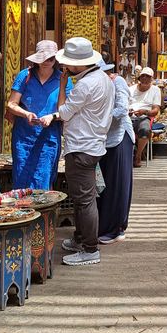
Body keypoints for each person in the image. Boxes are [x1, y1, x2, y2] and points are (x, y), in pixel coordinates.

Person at [38, 37, 114, 267]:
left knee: (84, 200)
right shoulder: (103, 78)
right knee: (83, 198)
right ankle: (81, 239)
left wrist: (62, 85)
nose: (64, 66)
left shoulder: (85, 85)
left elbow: (63, 111)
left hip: (82, 146)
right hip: (92, 144)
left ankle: (90, 249)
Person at [7, 39, 72, 190]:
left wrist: (52, 117)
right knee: (21, 180)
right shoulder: (25, 75)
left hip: (49, 138)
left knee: (44, 180)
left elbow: (67, 110)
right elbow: (11, 104)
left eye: (50, 59)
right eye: (43, 58)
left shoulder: (63, 79)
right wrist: (26, 114)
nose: (46, 62)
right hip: (24, 138)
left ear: (55, 59)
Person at [97, 61, 134, 245]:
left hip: (119, 138)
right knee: (104, 184)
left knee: (117, 184)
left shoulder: (117, 82)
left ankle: (116, 228)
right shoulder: (96, 84)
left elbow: (122, 109)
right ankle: (103, 226)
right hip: (103, 140)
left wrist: (97, 118)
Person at [129, 67, 162, 166]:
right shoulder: (131, 89)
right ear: (139, 78)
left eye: (147, 77)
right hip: (129, 116)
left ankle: (138, 155)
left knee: (145, 130)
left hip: (144, 116)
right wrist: (128, 111)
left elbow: (155, 110)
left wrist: (145, 112)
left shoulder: (155, 90)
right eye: (143, 76)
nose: (144, 78)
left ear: (151, 79)